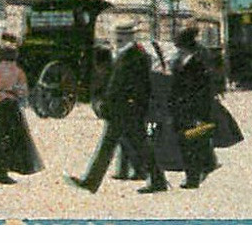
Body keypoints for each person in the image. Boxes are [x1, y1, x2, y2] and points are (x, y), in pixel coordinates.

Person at [67, 21, 168, 194]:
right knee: (119, 144)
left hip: (129, 109)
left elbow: (140, 85)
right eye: (118, 35)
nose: (118, 39)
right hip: (120, 108)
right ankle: (92, 182)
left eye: (121, 36)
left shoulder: (137, 55)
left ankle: (92, 182)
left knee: (130, 145)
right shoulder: (124, 53)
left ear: (128, 37)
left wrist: (132, 103)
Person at [0, 42, 41, 185]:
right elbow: (23, 92)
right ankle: (5, 170)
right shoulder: (18, 71)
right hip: (10, 105)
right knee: (11, 137)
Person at [169, 28, 216, 189]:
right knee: (198, 139)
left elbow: (183, 86)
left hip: (188, 109)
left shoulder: (189, 61)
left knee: (188, 143)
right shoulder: (199, 56)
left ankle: (192, 178)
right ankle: (207, 165)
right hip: (197, 108)